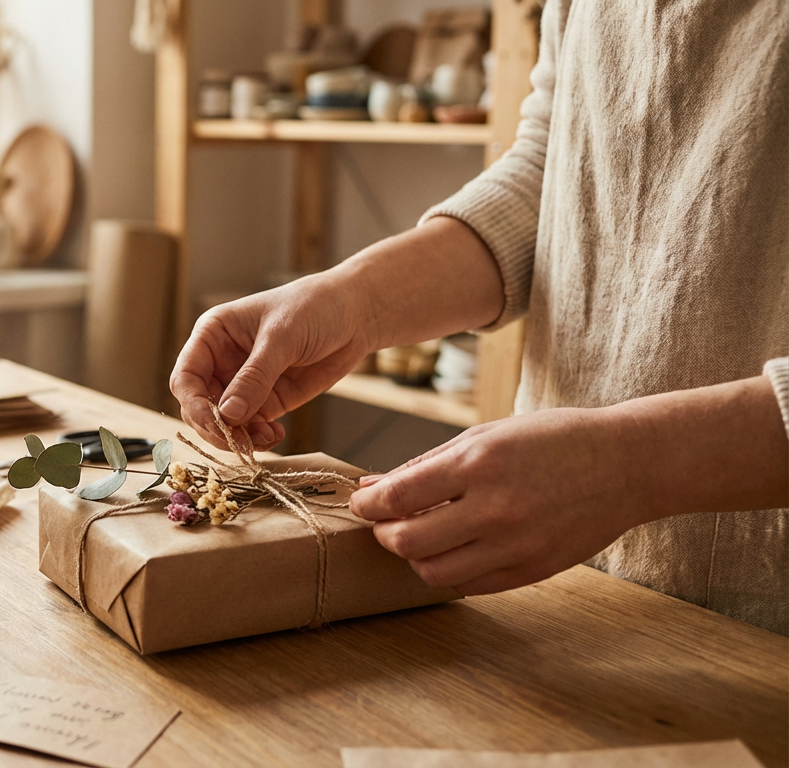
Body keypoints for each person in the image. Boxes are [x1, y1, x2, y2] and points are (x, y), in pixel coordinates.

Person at [170, 0, 788, 635]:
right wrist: (350, 301)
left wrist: (630, 466)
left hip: (761, 617)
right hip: (559, 586)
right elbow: (551, 172)